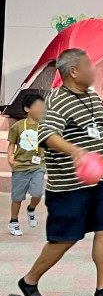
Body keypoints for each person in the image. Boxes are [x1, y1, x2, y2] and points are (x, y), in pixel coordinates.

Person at [6, 48, 103, 296]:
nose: (94, 69)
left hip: (97, 182)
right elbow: (47, 135)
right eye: (89, 65)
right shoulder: (57, 100)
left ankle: (102, 290)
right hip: (68, 185)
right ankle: (29, 282)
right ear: (74, 71)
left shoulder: (92, 97)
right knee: (65, 238)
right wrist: (76, 152)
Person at [7, 93, 46, 236]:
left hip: (38, 165)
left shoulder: (44, 126)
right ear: (27, 109)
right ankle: (13, 222)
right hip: (20, 166)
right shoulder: (17, 126)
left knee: (37, 193)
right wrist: (10, 158)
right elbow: (12, 143)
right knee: (17, 197)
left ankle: (31, 208)